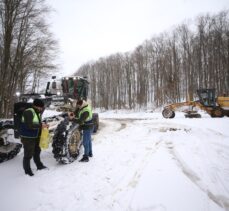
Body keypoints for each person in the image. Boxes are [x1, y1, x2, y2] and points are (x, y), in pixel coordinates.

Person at [20, 99, 48, 176]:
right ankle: (27, 171)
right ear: (37, 106)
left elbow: (36, 123)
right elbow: (29, 125)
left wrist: (42, 125)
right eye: (41, 107)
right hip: (28, 137)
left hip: (35, 136)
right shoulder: (29, 112)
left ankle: (39, 166)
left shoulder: (37, 112)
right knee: (28, 154)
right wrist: (41, 125)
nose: (42, 109)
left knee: (37, 152)